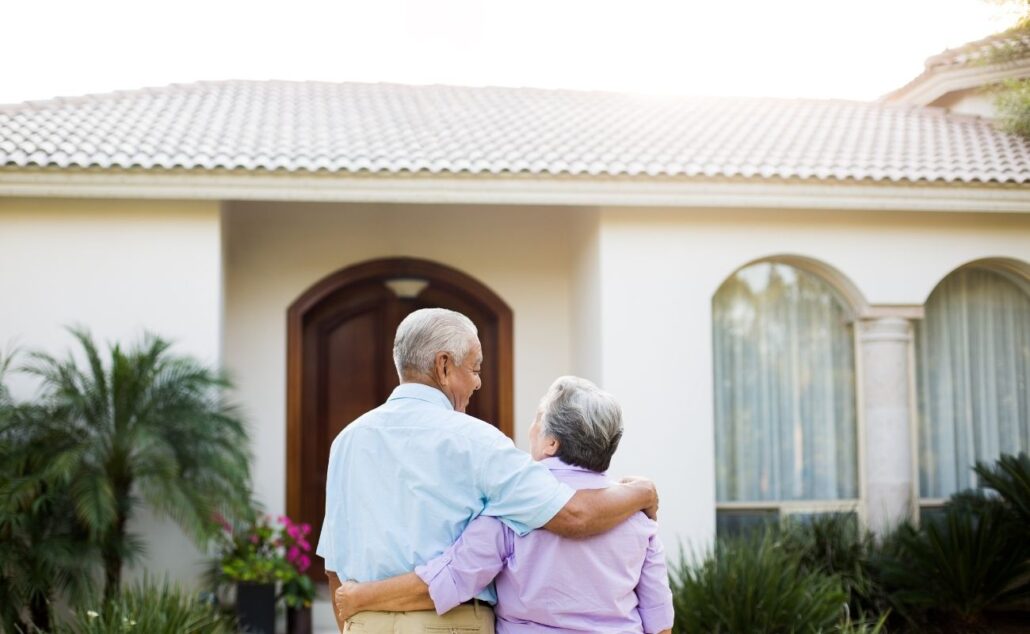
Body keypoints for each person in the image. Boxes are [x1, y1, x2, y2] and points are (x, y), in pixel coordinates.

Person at [317, 308, 659, 633]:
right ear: (443, 366)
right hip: (449, 624)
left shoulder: (347, 440)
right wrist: (642, 492)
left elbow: (334, 567)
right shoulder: (477, 440)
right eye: (475, 369)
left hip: (363, 623)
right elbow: (574, 515)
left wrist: (357, 618)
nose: (478, 383)